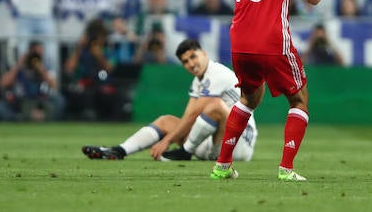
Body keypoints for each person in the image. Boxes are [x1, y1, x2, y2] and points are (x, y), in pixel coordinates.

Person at [211, 0, 338, 182]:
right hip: (272, 40)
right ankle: (286, 169)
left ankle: (222, 165)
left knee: (248, 98)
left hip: (240, 39)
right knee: (299, 99)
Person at [81, 38, 257, 162]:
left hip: (240, 145)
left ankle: (186, 152)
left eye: (193, 56)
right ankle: (119, 150)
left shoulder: (217, 73)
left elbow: (195, 113)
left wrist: (166, 141)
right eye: (185, 61)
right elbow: (188, 116)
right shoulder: (198, 81)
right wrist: (172, 136)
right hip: (217, 144)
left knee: (215, 106)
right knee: (167, 121)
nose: (191, 63)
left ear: (203, 53)